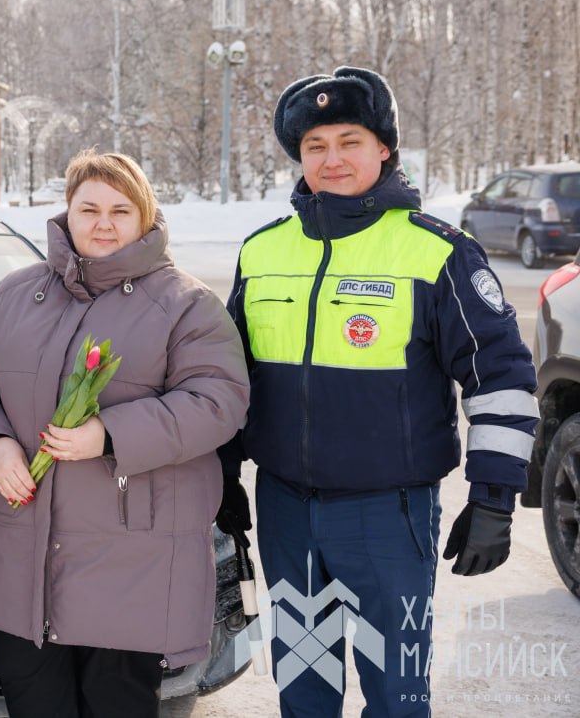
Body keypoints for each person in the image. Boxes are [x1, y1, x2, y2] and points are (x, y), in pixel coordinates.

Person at [219, 66, 538, 715]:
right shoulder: (262, 252)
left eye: (349, 141)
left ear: (384, 148)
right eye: (315, 145)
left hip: (387, 517)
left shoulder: (437, 252)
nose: (331, 159)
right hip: (286, 512)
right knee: (303, 691)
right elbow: (226, 380)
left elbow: (501, 378)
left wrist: (494, 497)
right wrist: (222, 476)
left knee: (397, 695)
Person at [0, 149, 250, 717]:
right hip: (26, 564)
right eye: (89, 209)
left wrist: (109, 434)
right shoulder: (16, 294)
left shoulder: (186, 305)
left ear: (144, 216)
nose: (103, 224)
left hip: (129, 565)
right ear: (69, 212)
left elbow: (219, 400)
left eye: (120, 210)